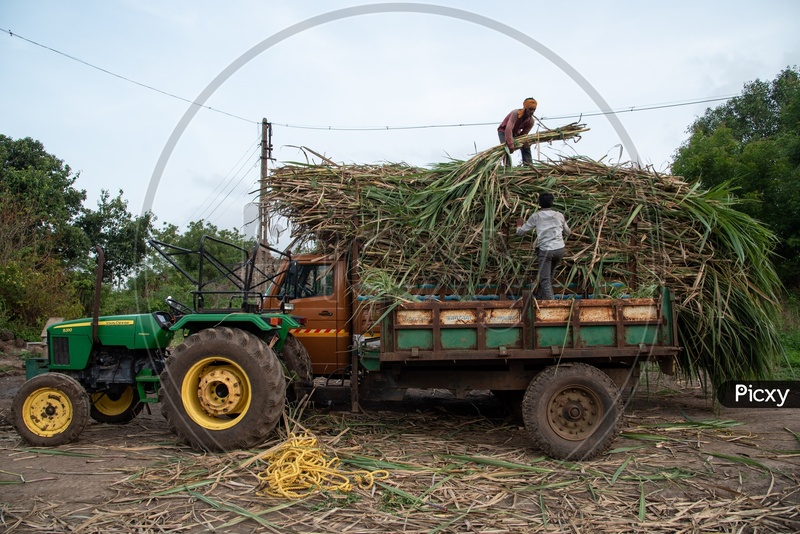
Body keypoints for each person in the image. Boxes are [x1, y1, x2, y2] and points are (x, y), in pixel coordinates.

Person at [516, 192, 570, 300]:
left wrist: (519, 225)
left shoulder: (536, 216)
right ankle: (541, 298)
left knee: (545, 279)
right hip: (559, 250)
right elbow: (568, 232)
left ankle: (552, 305)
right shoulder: (559, 215)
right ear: (552, 202)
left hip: (546, 251)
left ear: (539, 203)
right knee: (548, 277)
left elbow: (520, 233)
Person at [498, 98, 537, 166]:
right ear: (525, 108)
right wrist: (510, 143)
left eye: (534, 109)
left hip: (516, 133)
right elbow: (508, 129)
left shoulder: (531, 121)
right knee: (506, 148)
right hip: (504, 131)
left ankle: (528, 166)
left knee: (526, 145)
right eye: (530, 109)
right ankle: (507, 168)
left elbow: (524, 135)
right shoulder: (515, 113)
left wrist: (524, 142)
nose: (532, 112)